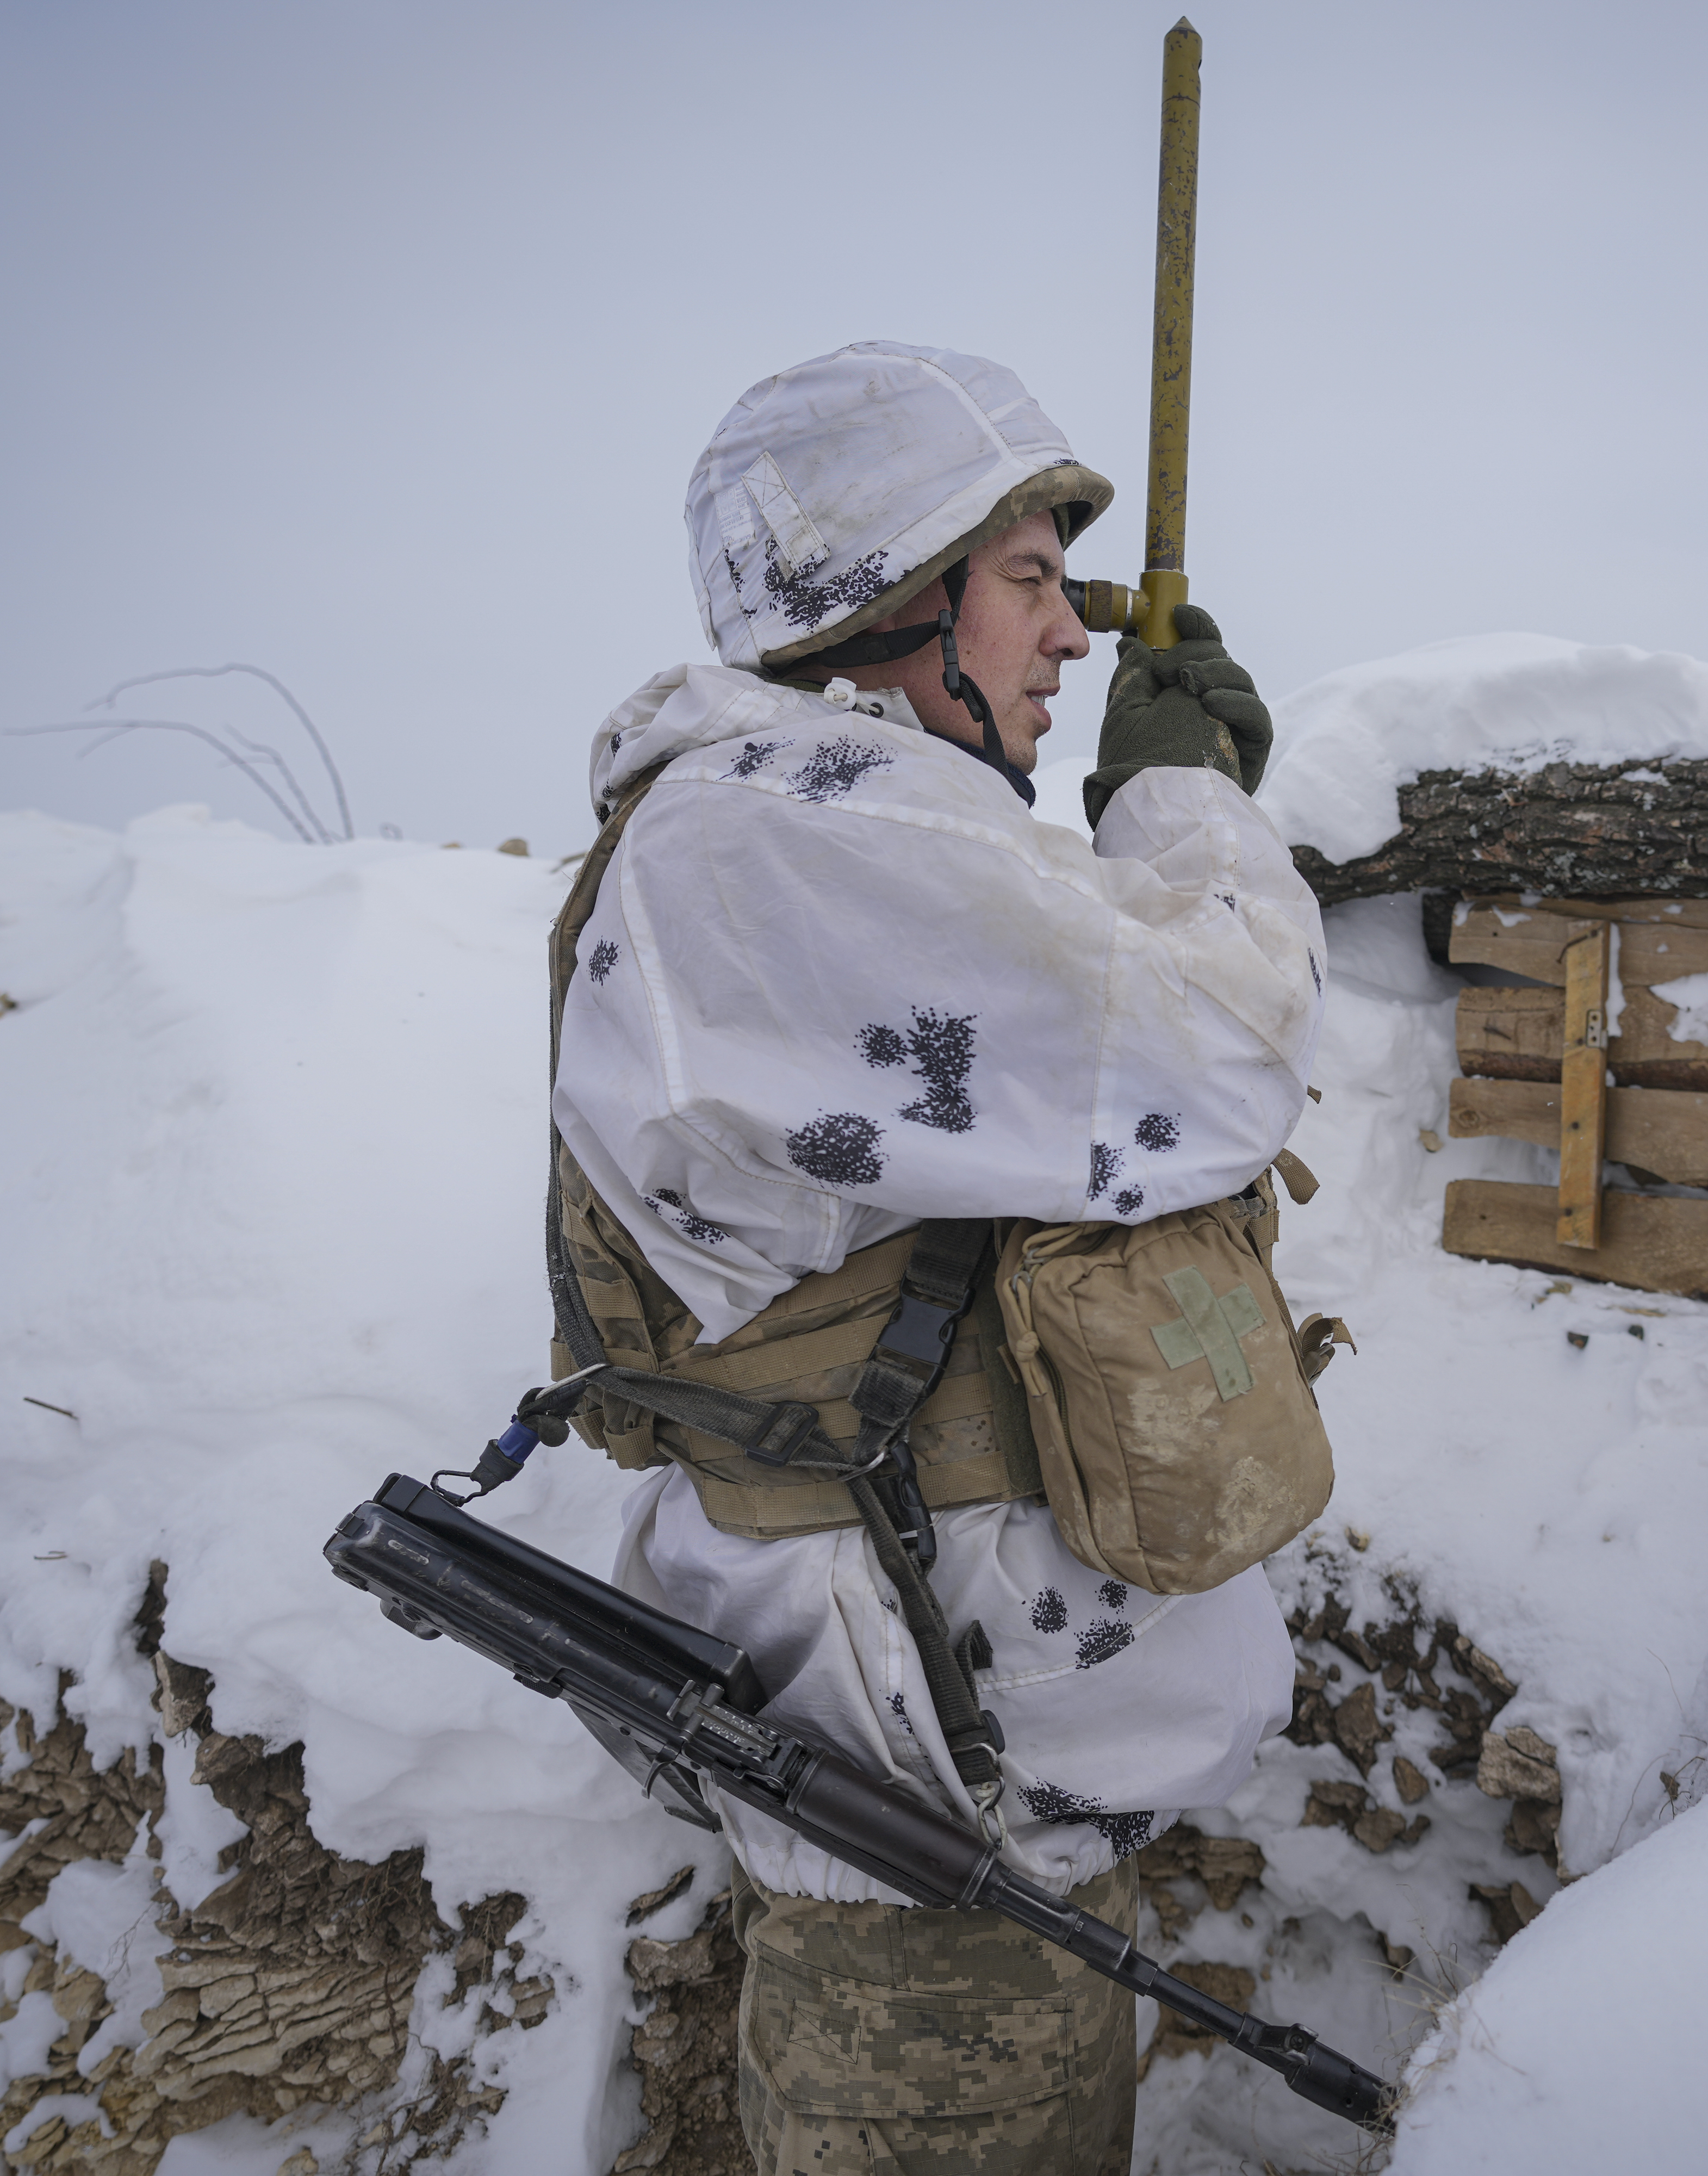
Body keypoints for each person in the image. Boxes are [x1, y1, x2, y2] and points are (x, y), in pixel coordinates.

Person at [543, 342, 1328, 2174]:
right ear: (896, 600)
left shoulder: (808, 829)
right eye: (1031, 581)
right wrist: (1183, 799)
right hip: (926, 1888)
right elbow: (1218, 1060)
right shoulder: (783, 831)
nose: (1069, 638)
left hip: (960, 1840)